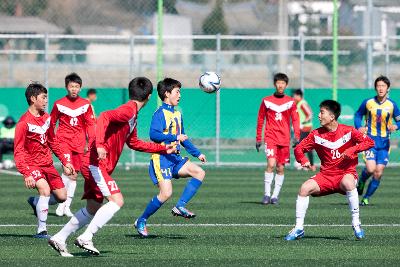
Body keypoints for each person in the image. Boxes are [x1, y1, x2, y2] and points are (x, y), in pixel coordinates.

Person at [48, 77, 175, 257]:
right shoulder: (128, 110)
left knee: (93, 207)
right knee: (117, 201)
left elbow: (134, 142)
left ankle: (59, 238)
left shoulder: (132, 116)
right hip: (95, 163)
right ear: (148, 97)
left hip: (94, 163)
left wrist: (162, 149)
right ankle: (86, 237)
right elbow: (105, 117)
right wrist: (99, 144)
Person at [285, 100, 374, 241]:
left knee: (349, 183)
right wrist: (304, 160)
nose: (319, 116)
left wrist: (352, 149)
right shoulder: (316, 134)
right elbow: (299, 149)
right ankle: (298, 228)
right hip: (325, 176)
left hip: (346, 174)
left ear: (332, 116)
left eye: (322, 112)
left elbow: (369, 141)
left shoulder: (348, 131)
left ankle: (356, 224)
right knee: (304, 188)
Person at [134, 78, 206, 237]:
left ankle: (180, 206)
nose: (180, 95)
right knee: (166, 194)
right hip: (162, 159)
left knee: (199, 172)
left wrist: (197, 153)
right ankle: (141, 220)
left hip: (175, 158)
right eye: (177, 91)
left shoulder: (178, 113)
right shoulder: (160, 113)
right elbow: (153, 134)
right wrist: (175, 137)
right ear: (167, 94)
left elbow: (183, 138)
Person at [14, 82, 75, 238]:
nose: (46, 100)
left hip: (47, 164)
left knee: (62, 197)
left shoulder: (47, 118)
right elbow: (19, 151)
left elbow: (53, 142)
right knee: (45, 190)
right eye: (43, 97)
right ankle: (41, 230)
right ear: (33, 98)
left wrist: (65, 161)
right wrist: (26, 173)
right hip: (32, 165)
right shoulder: (23, 123)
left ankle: (35, 202)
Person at [47, 73, 96, 217]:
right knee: (68, 171)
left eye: (76, 86)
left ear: (80, 88)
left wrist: (90, 142)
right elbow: (51, 123)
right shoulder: (59, 104)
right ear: (66, 87)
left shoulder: (86, 105)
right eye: (71, 86)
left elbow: (90, 124)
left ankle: (66, 206)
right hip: (64, 142)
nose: (74, 89)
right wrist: (51, 140)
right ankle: (60, 203)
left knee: (74, 176)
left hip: (79, 144)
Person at [354, 75, 400, 206]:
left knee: (378, 172)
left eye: (383, 86)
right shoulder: (368, 102)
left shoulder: (392, 105)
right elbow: (358, 114)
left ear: (388, 88)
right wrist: (359, 126)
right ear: (375, 88)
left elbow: (399, 120)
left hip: (385, 144)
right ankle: (362, 181)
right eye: (378, 86)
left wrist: (396, 126)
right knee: (370, 168)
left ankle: (366, 198)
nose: (380, 88)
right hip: (369, 142)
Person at [256, 73, 300, 205]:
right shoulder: (266, 100)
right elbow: (260, 119)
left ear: (286, 85)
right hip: (270, 137)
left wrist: (297, 136)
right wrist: (258, 137)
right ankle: (266, 194)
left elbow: (295, 120)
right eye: (278, 82)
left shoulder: (291, 102)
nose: (280, 85)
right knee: (271, 164)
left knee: (280, 168)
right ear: (275, 84)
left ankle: (275, 196)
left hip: (284, 139)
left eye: (283, 83)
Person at [292, 89, 316, 171]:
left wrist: (302, 123)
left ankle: (303, 164)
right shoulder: (298, 104)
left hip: (305, 128)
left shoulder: (302, 103)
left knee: (299, 145)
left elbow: (310, 114)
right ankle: (310, 165)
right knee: (306, 146)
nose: (294, 97)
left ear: (299, 96)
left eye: (295, 95)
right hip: (303, 128)